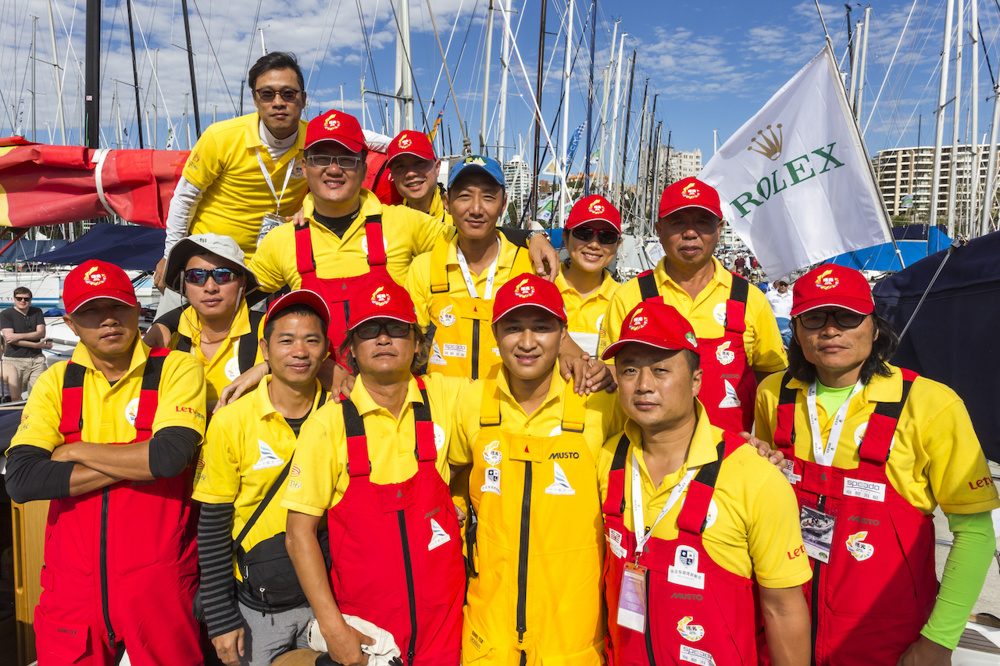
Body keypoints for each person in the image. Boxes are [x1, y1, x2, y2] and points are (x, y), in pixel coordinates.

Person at [754, 263, 1000, 665]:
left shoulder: (931, 404)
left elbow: (975, 534)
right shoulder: (773, 393)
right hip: (785, 631)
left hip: (887, 639)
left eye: (847, 316)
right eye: (814, 318)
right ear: (795, 331)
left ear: (874, 326)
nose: (830, 330)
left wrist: (939, 641)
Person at [4, 260, 207, 664]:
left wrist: (74, 450)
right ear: (71, 324)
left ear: (137, 310)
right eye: (91, 311)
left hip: (159, 583)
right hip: (71, 587)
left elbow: (169, 458)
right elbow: (23, 480)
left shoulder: (177, 368)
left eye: (117, 306)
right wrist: (138, 460)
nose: (108, 319)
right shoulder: (55, 381)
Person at [247, 110, 559, 365]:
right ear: (304, 167)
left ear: (363, 167)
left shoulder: (405, 222)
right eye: (321, 158)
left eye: (346, 159)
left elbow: (475, 232)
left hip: (391, 392)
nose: (333, 169)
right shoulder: (281, 239)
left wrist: (532, 235)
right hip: (314, 396)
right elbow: (241, 303)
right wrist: (261, 363)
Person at [598, 301, 811, 665]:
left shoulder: (754, 476)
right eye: (630, 370)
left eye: (661, 370)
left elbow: (784, 609)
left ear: (696, 381)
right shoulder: (607, 458)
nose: (644, 385)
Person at [283, 277, 466, 666]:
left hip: (446, 633)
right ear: (351, 348)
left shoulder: (446, 398)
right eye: (369, 330)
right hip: (368, 639)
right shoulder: (328, 425)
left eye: (396, 328)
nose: (383, 339)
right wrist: (334, 629)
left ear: (417, 343)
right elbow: (298, 535)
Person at [449, 273, 623, 665]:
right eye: (513, 328)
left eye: (542, 328)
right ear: (495, 334)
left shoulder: (601, 402)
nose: (527, 343)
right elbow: (451, 475)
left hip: (573, 636)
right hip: (488, 634)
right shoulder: (471, 401)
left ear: (563, 334)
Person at [193, 289, 331, 666]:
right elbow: (213, 525)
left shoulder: (343, 414)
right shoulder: (231, 422)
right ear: (264, 350)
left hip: (333, 595)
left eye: (311, 340)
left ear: (326, 350)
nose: (299, 351)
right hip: (258, 606)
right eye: (286, 341)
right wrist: (221, 618)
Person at [600, 177, 787, 433]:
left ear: (719, 229)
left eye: (702, 222)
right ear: (659, 230)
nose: (690, 233)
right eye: (678, 222)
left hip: (732, 451)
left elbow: (772, 382)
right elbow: (612, 378)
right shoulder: (628, 298)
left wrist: (765, 441)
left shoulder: (750, 298)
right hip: (649, 452)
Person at [156, 51, 309, 293]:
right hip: (210, 260)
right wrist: (170, 257)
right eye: (267, 94)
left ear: (303, 98)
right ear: (255, 99)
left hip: (274, 264)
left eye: (288, 94)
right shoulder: (220, 137)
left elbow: (361, 140)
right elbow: (184, 198)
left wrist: (309, 205)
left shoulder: (316, 140)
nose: (278, 102)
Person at [406, 154, 536, 380]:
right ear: (447, 203)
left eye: (488, 197)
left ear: (503, 205)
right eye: (464, 196)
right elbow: (408, 346)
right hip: (440, 400)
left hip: (507, 401)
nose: (476, 209)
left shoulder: (530, 267)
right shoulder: (424, 268)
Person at [145, 234, 264, 412]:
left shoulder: (267, 330)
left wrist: (268, 369)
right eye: (196, 276)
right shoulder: (167, 338)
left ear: (243, 283)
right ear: (184, 285)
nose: (210, 287)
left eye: (224, 275)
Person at [556, 195, 622, 357]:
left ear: (617, 245)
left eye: (606, 237)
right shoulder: (542, 285)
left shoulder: (624, 299)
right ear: (565, 237)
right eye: (584, 233)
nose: (594, 244)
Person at [386, 130, 451, 225]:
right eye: (400, 166)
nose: (411, 173)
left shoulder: (461, 219)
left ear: (437, 168)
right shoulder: (388, 225)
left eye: (419, 162)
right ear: (392, 176)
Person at [0, 286, 52, 398]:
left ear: (30, 299)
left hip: (37, 360)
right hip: (15, 360)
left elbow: (41, 333)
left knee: (42, 392)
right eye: (19, 298)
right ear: (14, 299)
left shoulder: (37, 311)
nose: (22, 301)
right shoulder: (5, 314)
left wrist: (16, 336)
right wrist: (36, 345)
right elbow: (9, 339)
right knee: (15, 396)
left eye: (26, 299)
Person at [767, 279, 793, 347]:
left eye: (785, 285)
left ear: (788, 285)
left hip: (788, 324)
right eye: (781, 284)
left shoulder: (792, 295)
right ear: (778, 284)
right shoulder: (769, 295)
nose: (783, 286)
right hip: (774, 323)